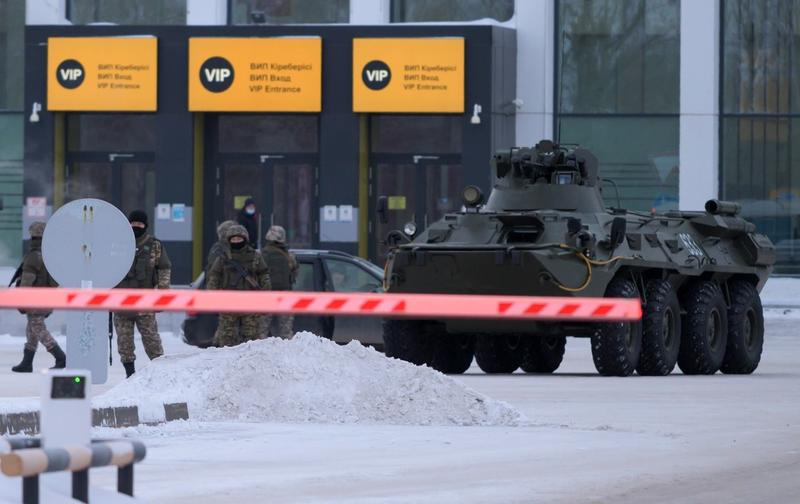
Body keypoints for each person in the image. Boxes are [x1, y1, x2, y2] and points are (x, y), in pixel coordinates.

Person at [114, 210, 171, 378]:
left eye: (139, 224)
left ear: (145, 225)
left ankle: (161, 374)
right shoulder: (118, 243)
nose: (136, 226)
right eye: (133, 223)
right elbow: (107, 269)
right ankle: (130, 375)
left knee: (152, 340)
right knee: (124, 342)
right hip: (121, 302)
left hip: (145, 302)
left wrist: (163, 295)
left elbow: (164, 268)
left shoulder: (155, 245)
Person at [11, 221, 66, 372]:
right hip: (46, 298)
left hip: (34, 299)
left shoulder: (33, 256)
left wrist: (21, 300)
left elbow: (27, 281)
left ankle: (60, 357)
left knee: (38, 328)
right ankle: (27, 362)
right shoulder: (49, 256)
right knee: (32, 329)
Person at [206, 224, 270, 346]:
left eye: (239, 239)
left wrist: (265, 299)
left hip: (250, 304)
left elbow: (264, 276)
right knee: (227, 339)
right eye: (233, 239)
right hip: (228, 303)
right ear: (229, 240)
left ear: (245, 239)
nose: (236, 241)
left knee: (252, 340)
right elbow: (214, 277)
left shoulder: (255, 256)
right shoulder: (223, 258)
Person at [261, 225, 298, 339]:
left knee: (261, 331)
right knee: (286, 331)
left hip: (266, 295)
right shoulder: (289, 256)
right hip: (285, 294)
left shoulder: (261, 255)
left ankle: (259, 354)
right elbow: (294, 274)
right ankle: (287, 353)